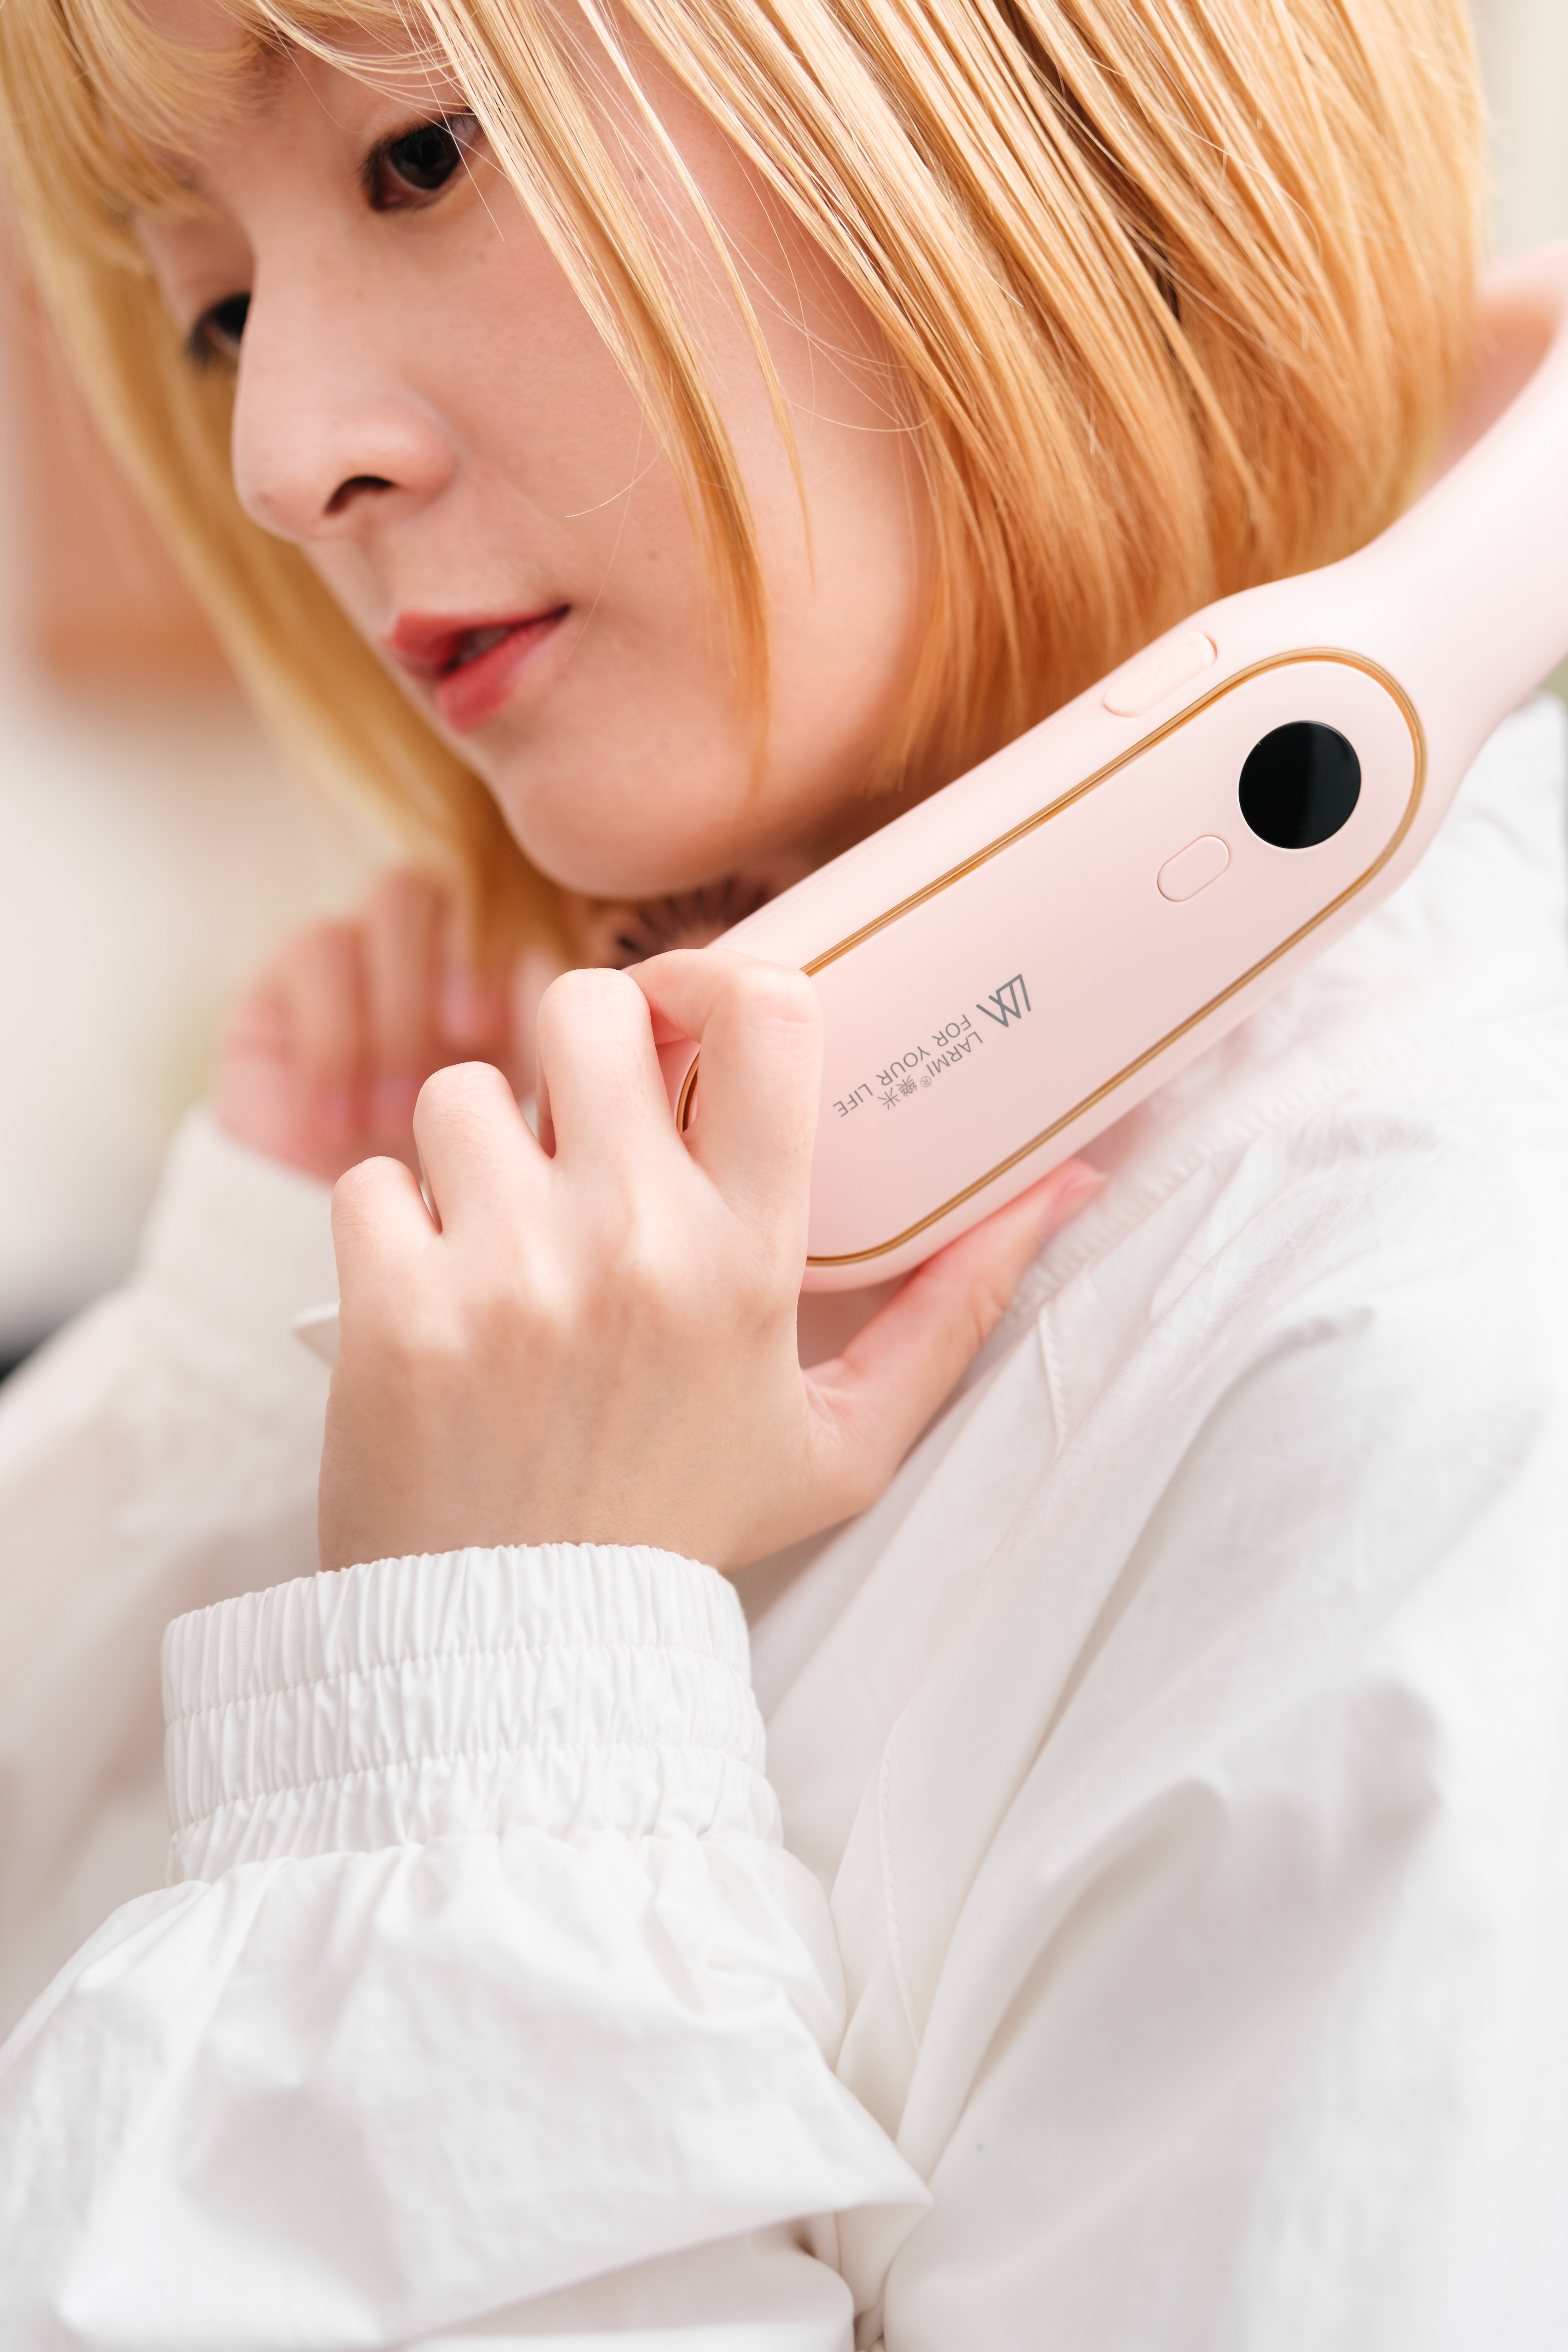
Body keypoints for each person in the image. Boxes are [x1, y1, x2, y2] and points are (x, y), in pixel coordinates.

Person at [0, 0, 1565, 2340]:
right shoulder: (650, 1198)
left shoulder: (1417, 1381)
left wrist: (492, 1740)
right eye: (215, 309)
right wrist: (250, 1396)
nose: (279, 456)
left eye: (421, 156)